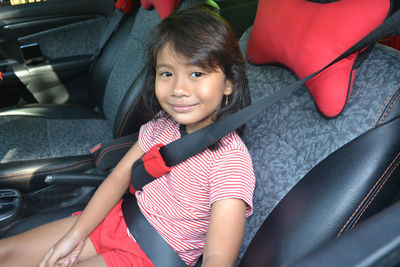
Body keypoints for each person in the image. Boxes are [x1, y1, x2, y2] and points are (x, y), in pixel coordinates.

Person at [0, 3, 255, 267]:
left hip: (152, 256)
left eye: (196, 73)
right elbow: (118, 178)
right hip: (117, 219)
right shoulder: (162, 124)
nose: (179, 89)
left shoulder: (230, 163)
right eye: (166, 73)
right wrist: (76, 235)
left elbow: (217, 258)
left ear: (228, 83)